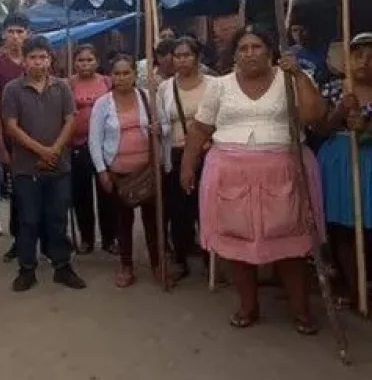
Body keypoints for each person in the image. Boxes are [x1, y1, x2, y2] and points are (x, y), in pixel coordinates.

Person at [181, 26, 326, 334]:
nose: (250, 53)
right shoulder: (219, 86)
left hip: (284, 172)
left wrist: (299, 75)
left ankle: (300, 310)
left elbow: (314, 117)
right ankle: (248, 306)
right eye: (243, 49)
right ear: (234, 55)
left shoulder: (290, 78)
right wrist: (187, 165)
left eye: (257, 47)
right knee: (237, 245)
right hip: (230, 175)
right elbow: (200, 129)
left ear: (271, 50)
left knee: (290, 243)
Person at [3, 37, 87, 292]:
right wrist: (41, 150)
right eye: (33, 57)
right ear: (24, 61)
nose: (38, 62)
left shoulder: (62, 87)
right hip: (26, 169)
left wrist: (55, 150)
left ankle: (62, 266)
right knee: (28, 219)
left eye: (43, 57)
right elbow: (11, 126)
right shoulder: (12, 89)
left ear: (50, 60)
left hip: (59, 166)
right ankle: (27, 268)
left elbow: (70, 119)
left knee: (57, 217)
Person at [89, 54, 170, 289]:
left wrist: (159, 128)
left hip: (148, 171)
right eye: (117, 73)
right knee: (122, 222)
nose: (122, 78)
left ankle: (157, 264)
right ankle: (126, 266)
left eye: (127, 73)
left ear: (135, 75)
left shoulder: (148, 97)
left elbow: (164, 126)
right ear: (111, 76)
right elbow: (95, 140)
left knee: (154, 221)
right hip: (118, 173)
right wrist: (102, 171)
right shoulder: (103, 103)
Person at [317, 32, 372, 309]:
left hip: (369, 163)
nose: (365, 62)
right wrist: (341, 110)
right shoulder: (333, 88)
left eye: (371, 56)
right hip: (340, 161)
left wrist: (366, 127)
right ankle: (354, 288)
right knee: (343, 228)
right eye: (358, 55)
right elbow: (320, 128)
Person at [158, 38, 215, 281]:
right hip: (177, 153)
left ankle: (211, 259)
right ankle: (180, 258)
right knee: (179, 209)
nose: (181, 60)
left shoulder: (214, 85)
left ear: (197, 56)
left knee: (208, 208)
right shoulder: (165, 88)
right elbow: (162, 122)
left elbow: (221, 118)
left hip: (209, 152)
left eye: (186, 55)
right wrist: (155, 128)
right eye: (177, 56)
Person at [0, 13, 30, 249]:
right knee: (15, 191)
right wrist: (0, 145)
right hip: (9, 138)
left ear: (28, 34)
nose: (15, 37)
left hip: (37, 136)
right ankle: (18, 241)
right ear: (3, 34)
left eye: (20, 32)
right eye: (11, 32)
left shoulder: (37, 60)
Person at [68, 44, 116, 255]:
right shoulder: (67, 85)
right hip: (77, 145)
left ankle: (109, 238)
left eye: (89, 60)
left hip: (104, 145)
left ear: (97, 62)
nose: (85, 64)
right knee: (81, 194)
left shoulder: (107, 82)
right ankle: (86, 237)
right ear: (74, 62)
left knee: (106, 192)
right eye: (80, 60)